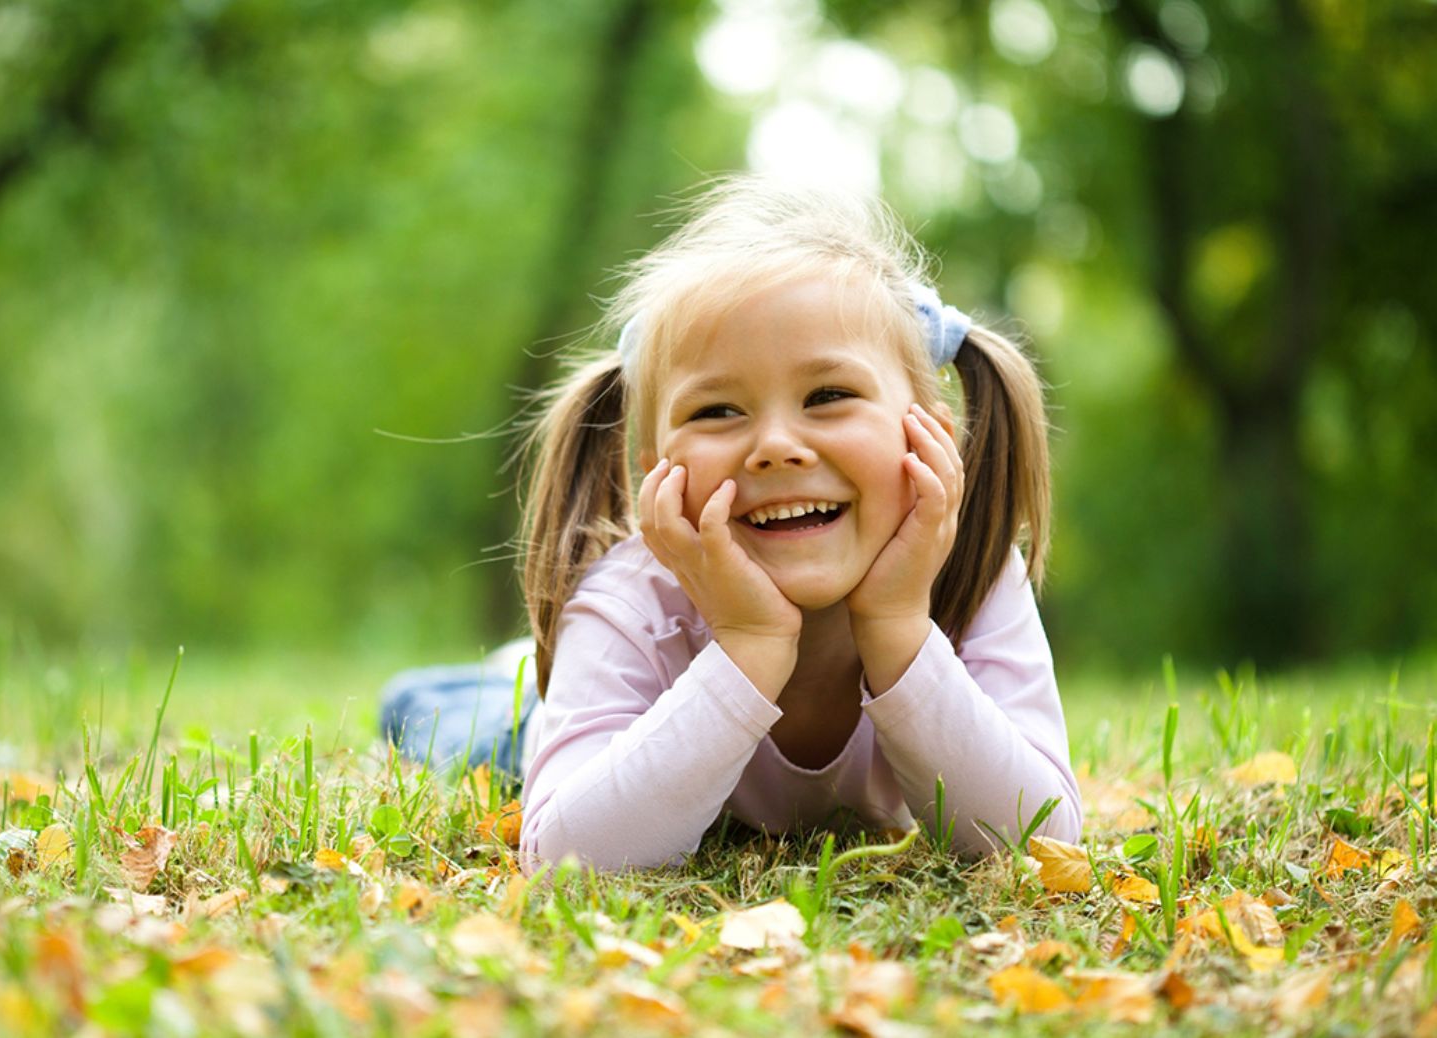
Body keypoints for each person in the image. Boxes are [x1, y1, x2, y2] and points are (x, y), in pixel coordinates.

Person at [380, 175, 1081, 873]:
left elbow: (1038, 838)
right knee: (459, 729)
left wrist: (898, 624)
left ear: (926, 432)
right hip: (561, 730)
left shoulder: (970, 571)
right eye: (716, 411)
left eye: (829, 395)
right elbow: (567, 858)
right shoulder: (630, 601)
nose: (776, 445)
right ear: (658, 467)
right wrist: (749, 646)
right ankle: (497, 684)